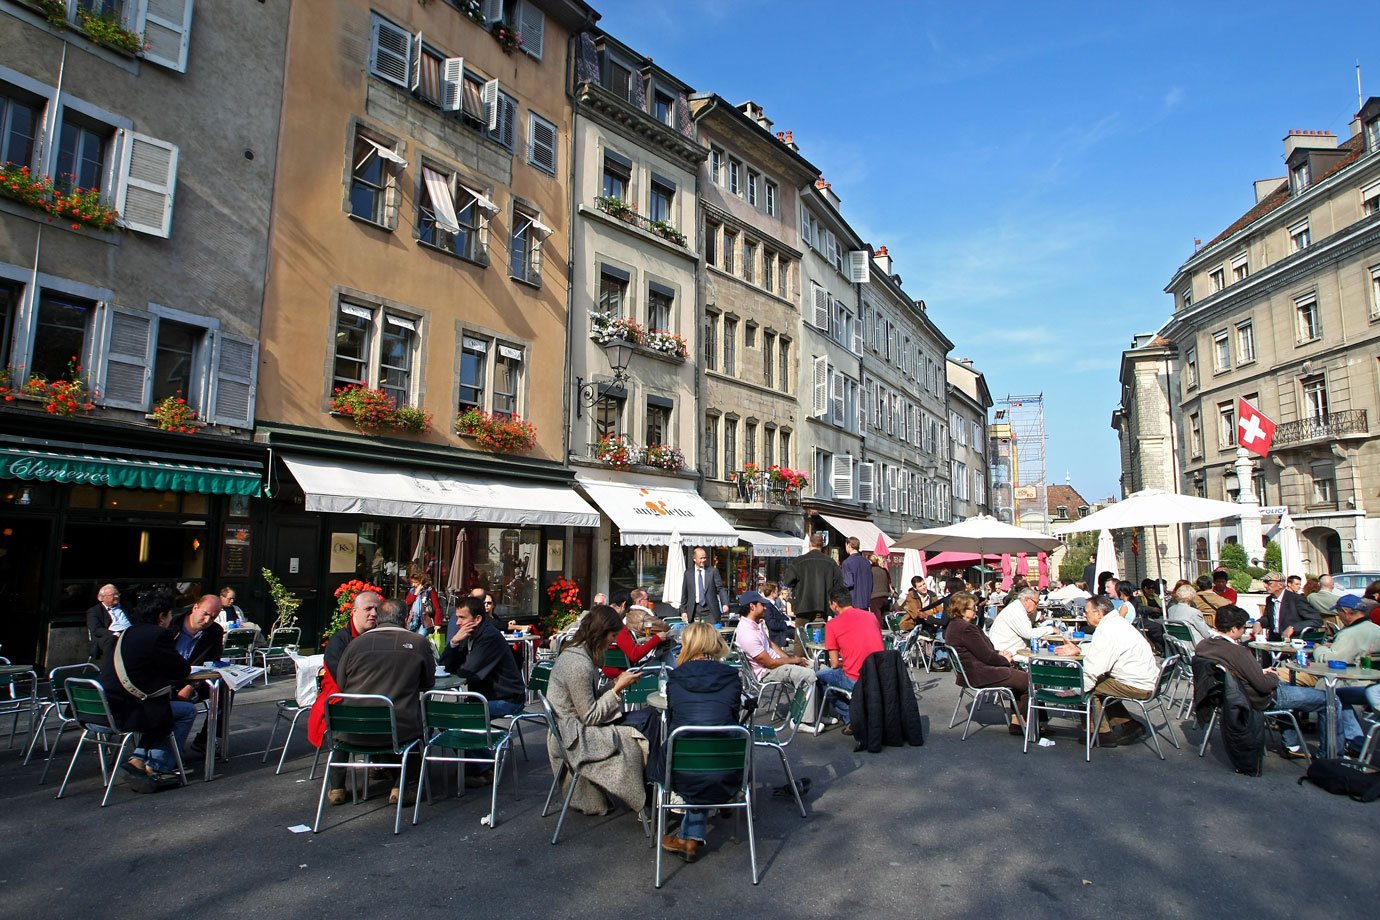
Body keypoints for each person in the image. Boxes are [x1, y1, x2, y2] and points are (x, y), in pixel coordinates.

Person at [1194, 604, 1355, 758]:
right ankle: (1332, 755)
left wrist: (1259, 672)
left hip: (1228, 695)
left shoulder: (1204, 646)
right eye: (1243, 628)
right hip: (1256, 697)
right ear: (1235, 628)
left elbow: (1233, 670)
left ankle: (1292, 744)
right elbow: (1263, 685)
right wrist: (1273, 675)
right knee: (1330, 700)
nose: (1244, 631)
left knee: (1290, 686)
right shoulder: (1237, 651)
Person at [544, 605, 649, 817]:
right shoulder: (578, 665)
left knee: (647, 720)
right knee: (646, 726)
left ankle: (652, 792)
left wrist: (616, 683)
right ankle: (651, 794)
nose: (613, 641)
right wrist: (617, 689)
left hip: (569, 728)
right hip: (575, 736)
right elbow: (590, 716)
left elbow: (586, 700)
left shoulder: (577, 653)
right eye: (612, 635)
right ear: (600, 633)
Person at [332, 598, 436, 806]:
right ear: (405, 619)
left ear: (378, 618)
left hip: (352, 729)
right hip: (397, 729)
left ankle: (337, 787)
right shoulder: (418, 643)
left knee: (348, 722)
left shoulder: (355, 644)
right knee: (421, 724)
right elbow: (427, 682)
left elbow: (342, 683)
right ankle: (403, 785)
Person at [657, 622, 742, 863]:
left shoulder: (675, 678)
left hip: (683, 768)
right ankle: (693, 833)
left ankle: (688, 837)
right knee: (710, 744)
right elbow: (732, 717)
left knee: (690, 747)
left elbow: (673, 718)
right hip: (728, 764)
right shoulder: (731, 676)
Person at [99, 591, 195, 792]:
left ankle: (138, 759)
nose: (171, 620)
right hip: (127, 710)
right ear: (162, 617)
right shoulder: (158, 635)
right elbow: (180, 670)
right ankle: (157, 767)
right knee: (185, 711)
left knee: (161, 708)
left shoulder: (127, 633)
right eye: (169, 614)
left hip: (104, 707)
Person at [1056, 595, 1159, 747]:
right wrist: (1079, 649)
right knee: (1101, 683)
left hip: (1138, 684)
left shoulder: (1106, 630)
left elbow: (1093, 668)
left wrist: (1077, 690)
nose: (1085, 615)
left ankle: (1101, 733)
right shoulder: (1117, 623)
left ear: (1099, 613)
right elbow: (1103, 652)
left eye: (1087, 612)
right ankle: (1128, 724)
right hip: (1149, 680)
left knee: (1089, 686)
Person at [942, 591, 1030, 735]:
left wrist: (999, 654)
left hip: (969, 673)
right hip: (981, 674)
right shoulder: (967, 629)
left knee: (1020, 677)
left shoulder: (954, 625)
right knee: (1029, 681)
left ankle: (1018, 722)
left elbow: (983, 652)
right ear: (962, 610)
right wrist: (1004, 659)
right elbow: (987, 656)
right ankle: (1029, 724)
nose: (976, 609)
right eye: (973, 607)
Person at [309, 590, 380, 749]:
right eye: (368, 609)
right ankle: (339, 771)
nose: (374, 613)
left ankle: (388, 769)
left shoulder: (380, 637)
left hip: (374, 697)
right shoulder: (338, 642)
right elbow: (344, 681)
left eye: (377, 609)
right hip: (343, 701)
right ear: (354, 612)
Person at [732, 590, 817, 717]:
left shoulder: (756, 624)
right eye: (762, 605)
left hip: (775, 665)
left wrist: (790, 658)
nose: (765, 607)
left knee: (818, 669)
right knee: (808, 674)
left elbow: (771, 644)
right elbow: (770, 663)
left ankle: (820, 712)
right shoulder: (746, 633)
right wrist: (793, 661)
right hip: (766, 672)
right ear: (752, 606)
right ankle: (803, 720)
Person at [440, 596, 526, 719]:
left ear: (477, 619)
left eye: (462, 618)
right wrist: (454, 642)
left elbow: (468, 671)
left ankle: (472, 738)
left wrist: (455, 667)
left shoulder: (488, 637)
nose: (457, 622)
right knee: (436, 713)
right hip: (482, 697)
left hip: (507, 699)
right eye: (457, 617)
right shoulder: (467, 634)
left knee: (447, 717)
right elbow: (444, 667)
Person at [816, 588, 885, 730]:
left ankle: (850, 717)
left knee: (819, 677)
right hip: (879, 674)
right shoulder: (871, 616)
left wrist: (846, 662)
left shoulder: (832, 624)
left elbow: (834, 663)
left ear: (834, 604)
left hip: (855, 677)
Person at [169, 595, 225, 754]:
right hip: (167, 679)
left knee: (225, 688)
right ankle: (168, 750)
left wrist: (191, 686)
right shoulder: (172, 624)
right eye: (205, 614)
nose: (208, 620)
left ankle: (206, 738)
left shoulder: (214, 632)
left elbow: (212, 662)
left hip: (195, 680)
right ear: (195, 608)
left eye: (213, 617)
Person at [782, 533, 846, 639]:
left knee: (800, 637)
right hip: (822, 606)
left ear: (810, 544)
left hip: (803, 605)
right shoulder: (831, 563)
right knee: (817, 638)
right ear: (823, 545)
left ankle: (800, 656)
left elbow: (787, 581)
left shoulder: (798, 561)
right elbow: (839, 585)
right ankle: (815, 654)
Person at [602, 589, 670, 677]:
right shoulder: (617, 626)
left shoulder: (602, 622)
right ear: (623, 605)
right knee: (665, 661)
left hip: (605, 670)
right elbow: (634, 655)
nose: (627, 613)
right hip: (626, 673)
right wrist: (656, 639)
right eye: (627, 610)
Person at [987, 588, 1055, 656]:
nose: (1037, 606)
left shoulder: (1019, 607)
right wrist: (1051, 629)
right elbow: (1030, 634)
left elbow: (1035, 616)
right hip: (1006, 653)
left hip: (1013, 650)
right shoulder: (1016, 610)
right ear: (1026, 599)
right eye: (1036, 603)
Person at [1260, 571, 1322, 640]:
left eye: (1269, 583)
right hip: (1274, 639)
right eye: (1264, 583)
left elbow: (1316, 620)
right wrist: (1259, 622)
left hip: (1293, 640)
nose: (1265, 586)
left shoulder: (1296, 599)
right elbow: (1269, 618)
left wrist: (1293, 627)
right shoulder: (1269, 599)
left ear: (1280, 585)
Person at [680, 547, 728, 625]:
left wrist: (725, 603)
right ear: (694, 559)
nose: (703, 560)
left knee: (710, 634)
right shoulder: (688, 573)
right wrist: (683, 611)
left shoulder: (713, 571)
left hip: (710, 610)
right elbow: (684, 593)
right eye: (701, 558)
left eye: (705, 558)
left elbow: (720, 589)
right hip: (694, 610)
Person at [86, 583, 130, 662]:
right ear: (101, 598)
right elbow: (96, 630)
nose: (117, 596)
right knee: (112, 640)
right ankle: (109, 668)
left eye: (117, 594)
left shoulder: (126, 606)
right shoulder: (94, 611)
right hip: (109, 636)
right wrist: (114, 633)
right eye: (113, 595)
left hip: (129, 632)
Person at [840, 537, 873, 611]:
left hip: (853, 602)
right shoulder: (866, 562)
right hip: (866, 602)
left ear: (849, 545)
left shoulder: (847, 563)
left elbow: (848, 583)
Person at [761, 582, 793, 650]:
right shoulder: (767, 606)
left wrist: (791, 621)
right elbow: (772, 624)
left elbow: (780, 617)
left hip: (782, 630)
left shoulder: (772, 604)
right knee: (800, 633)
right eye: (776, 591)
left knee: (801, 630)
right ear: (772, 593)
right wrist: (788, 623)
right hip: (778, 634)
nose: (778, 593)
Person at [868, 554, 893, 624]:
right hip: (885, 596)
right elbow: (888, 582)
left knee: (877, 619)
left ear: (870, 561)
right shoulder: (883, 570)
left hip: (875, 596)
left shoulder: (870, 571)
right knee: (880, 616)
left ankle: (878, 633)